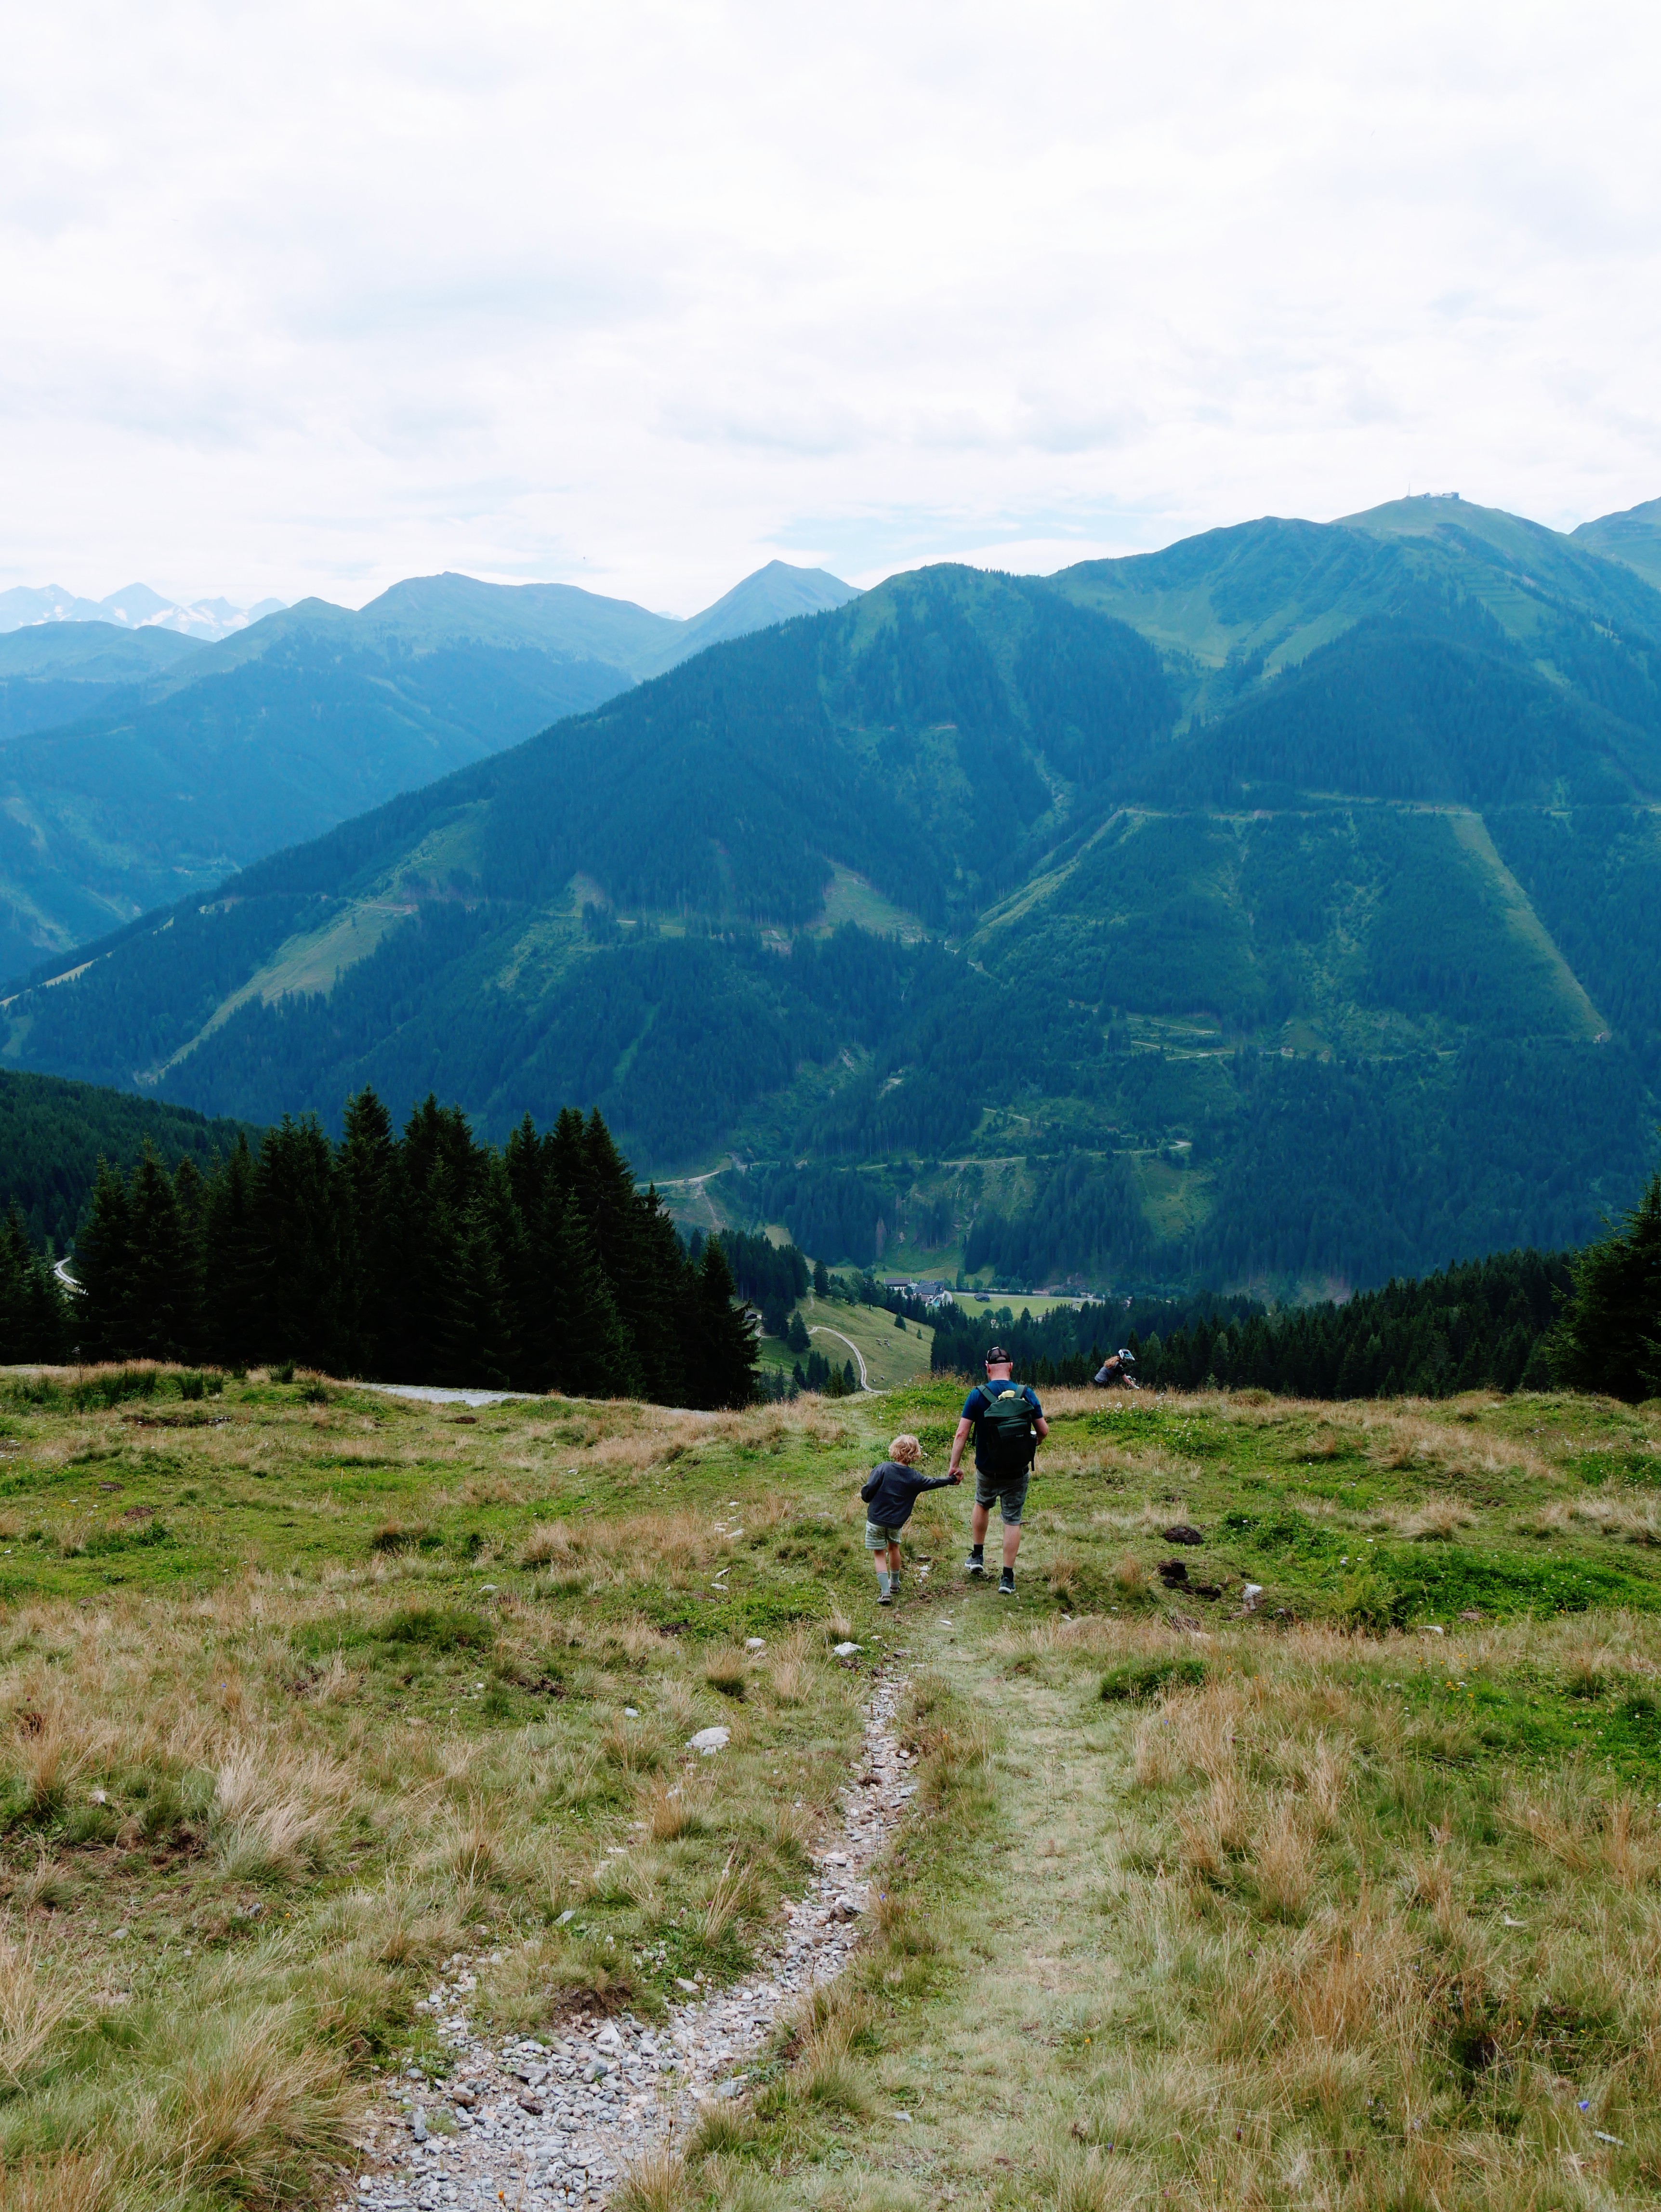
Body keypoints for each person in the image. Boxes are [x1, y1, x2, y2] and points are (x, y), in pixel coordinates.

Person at [946, 1347, 1048, 1595]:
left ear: (987, 1367)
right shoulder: (1027, 1394)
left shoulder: (977, 1395)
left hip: (987, 1469)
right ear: (1011, 1367)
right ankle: (1007, 1579)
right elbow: (1043, 1431)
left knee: (982, 1503)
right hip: (1017, 1471)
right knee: (1012, 1519)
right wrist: (1028, 1444)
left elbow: (962, 1433)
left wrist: (954, 1466)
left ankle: (978, 1556)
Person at [859, 1433, 961, 1604]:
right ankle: (895, 1585)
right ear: (915, 1455)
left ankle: (885, 1593)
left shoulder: (883, 1469)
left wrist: (865, 1496)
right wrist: (951, 1480)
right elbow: (933, 1482)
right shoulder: (915, 1477)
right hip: (896, 1523)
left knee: (879, 1553)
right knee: (894, 1548)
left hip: (875, 1520)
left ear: (895, 1450)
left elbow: (869, 1489)